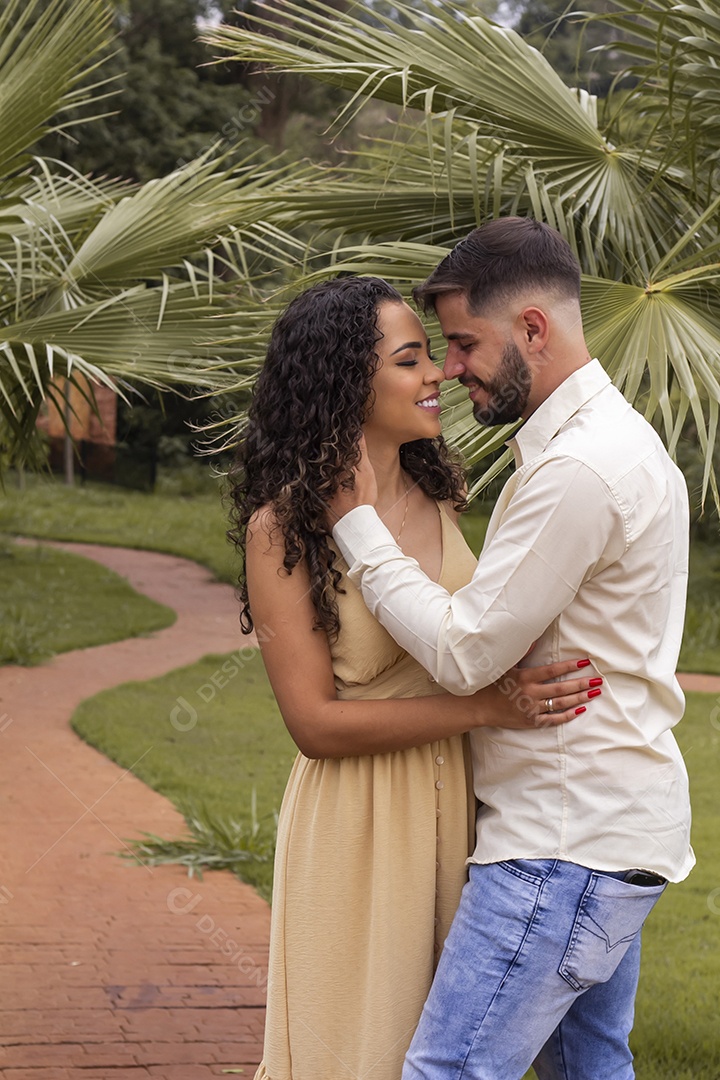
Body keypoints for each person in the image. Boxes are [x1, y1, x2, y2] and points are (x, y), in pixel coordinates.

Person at [329, 220, 695, 1080]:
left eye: (464, 343)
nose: (451, 370)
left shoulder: (579, 469)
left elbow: (465, 653)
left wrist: (356, 521)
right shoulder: (622, 445)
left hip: (559, 845)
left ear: (533, 328)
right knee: (589, 1069)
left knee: (447, 1070)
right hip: (611, 836)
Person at [228, 275, 601, 1080]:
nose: (437, 374)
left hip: (463, 813)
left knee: (452, 1051)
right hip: (358, 824)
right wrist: (482, 711)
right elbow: (314, 725)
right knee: (359, 1049)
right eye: (410, 359)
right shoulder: (283, 528)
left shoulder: (442, 495)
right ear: (344, 381)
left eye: (433, 355)